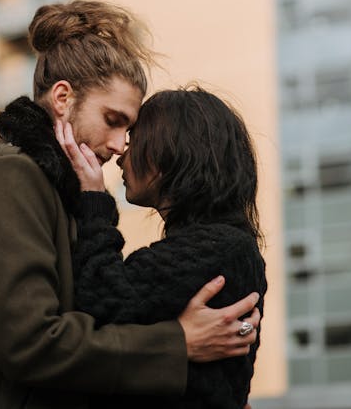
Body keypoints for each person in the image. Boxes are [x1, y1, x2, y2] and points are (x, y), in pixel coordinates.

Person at [0, 0, 261, 409]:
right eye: (112, 120)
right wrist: (178, 343)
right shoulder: (8, 179)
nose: (120, 144)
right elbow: (30, 343)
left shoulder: (59, 189)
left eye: (129, 127)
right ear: (62, 98)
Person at [59, 84, 267, 409]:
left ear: (170, 154)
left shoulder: (217, 248)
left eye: (134, 139)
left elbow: (100, 301)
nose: (120, 156)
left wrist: (94, 202)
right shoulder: (226, 244)